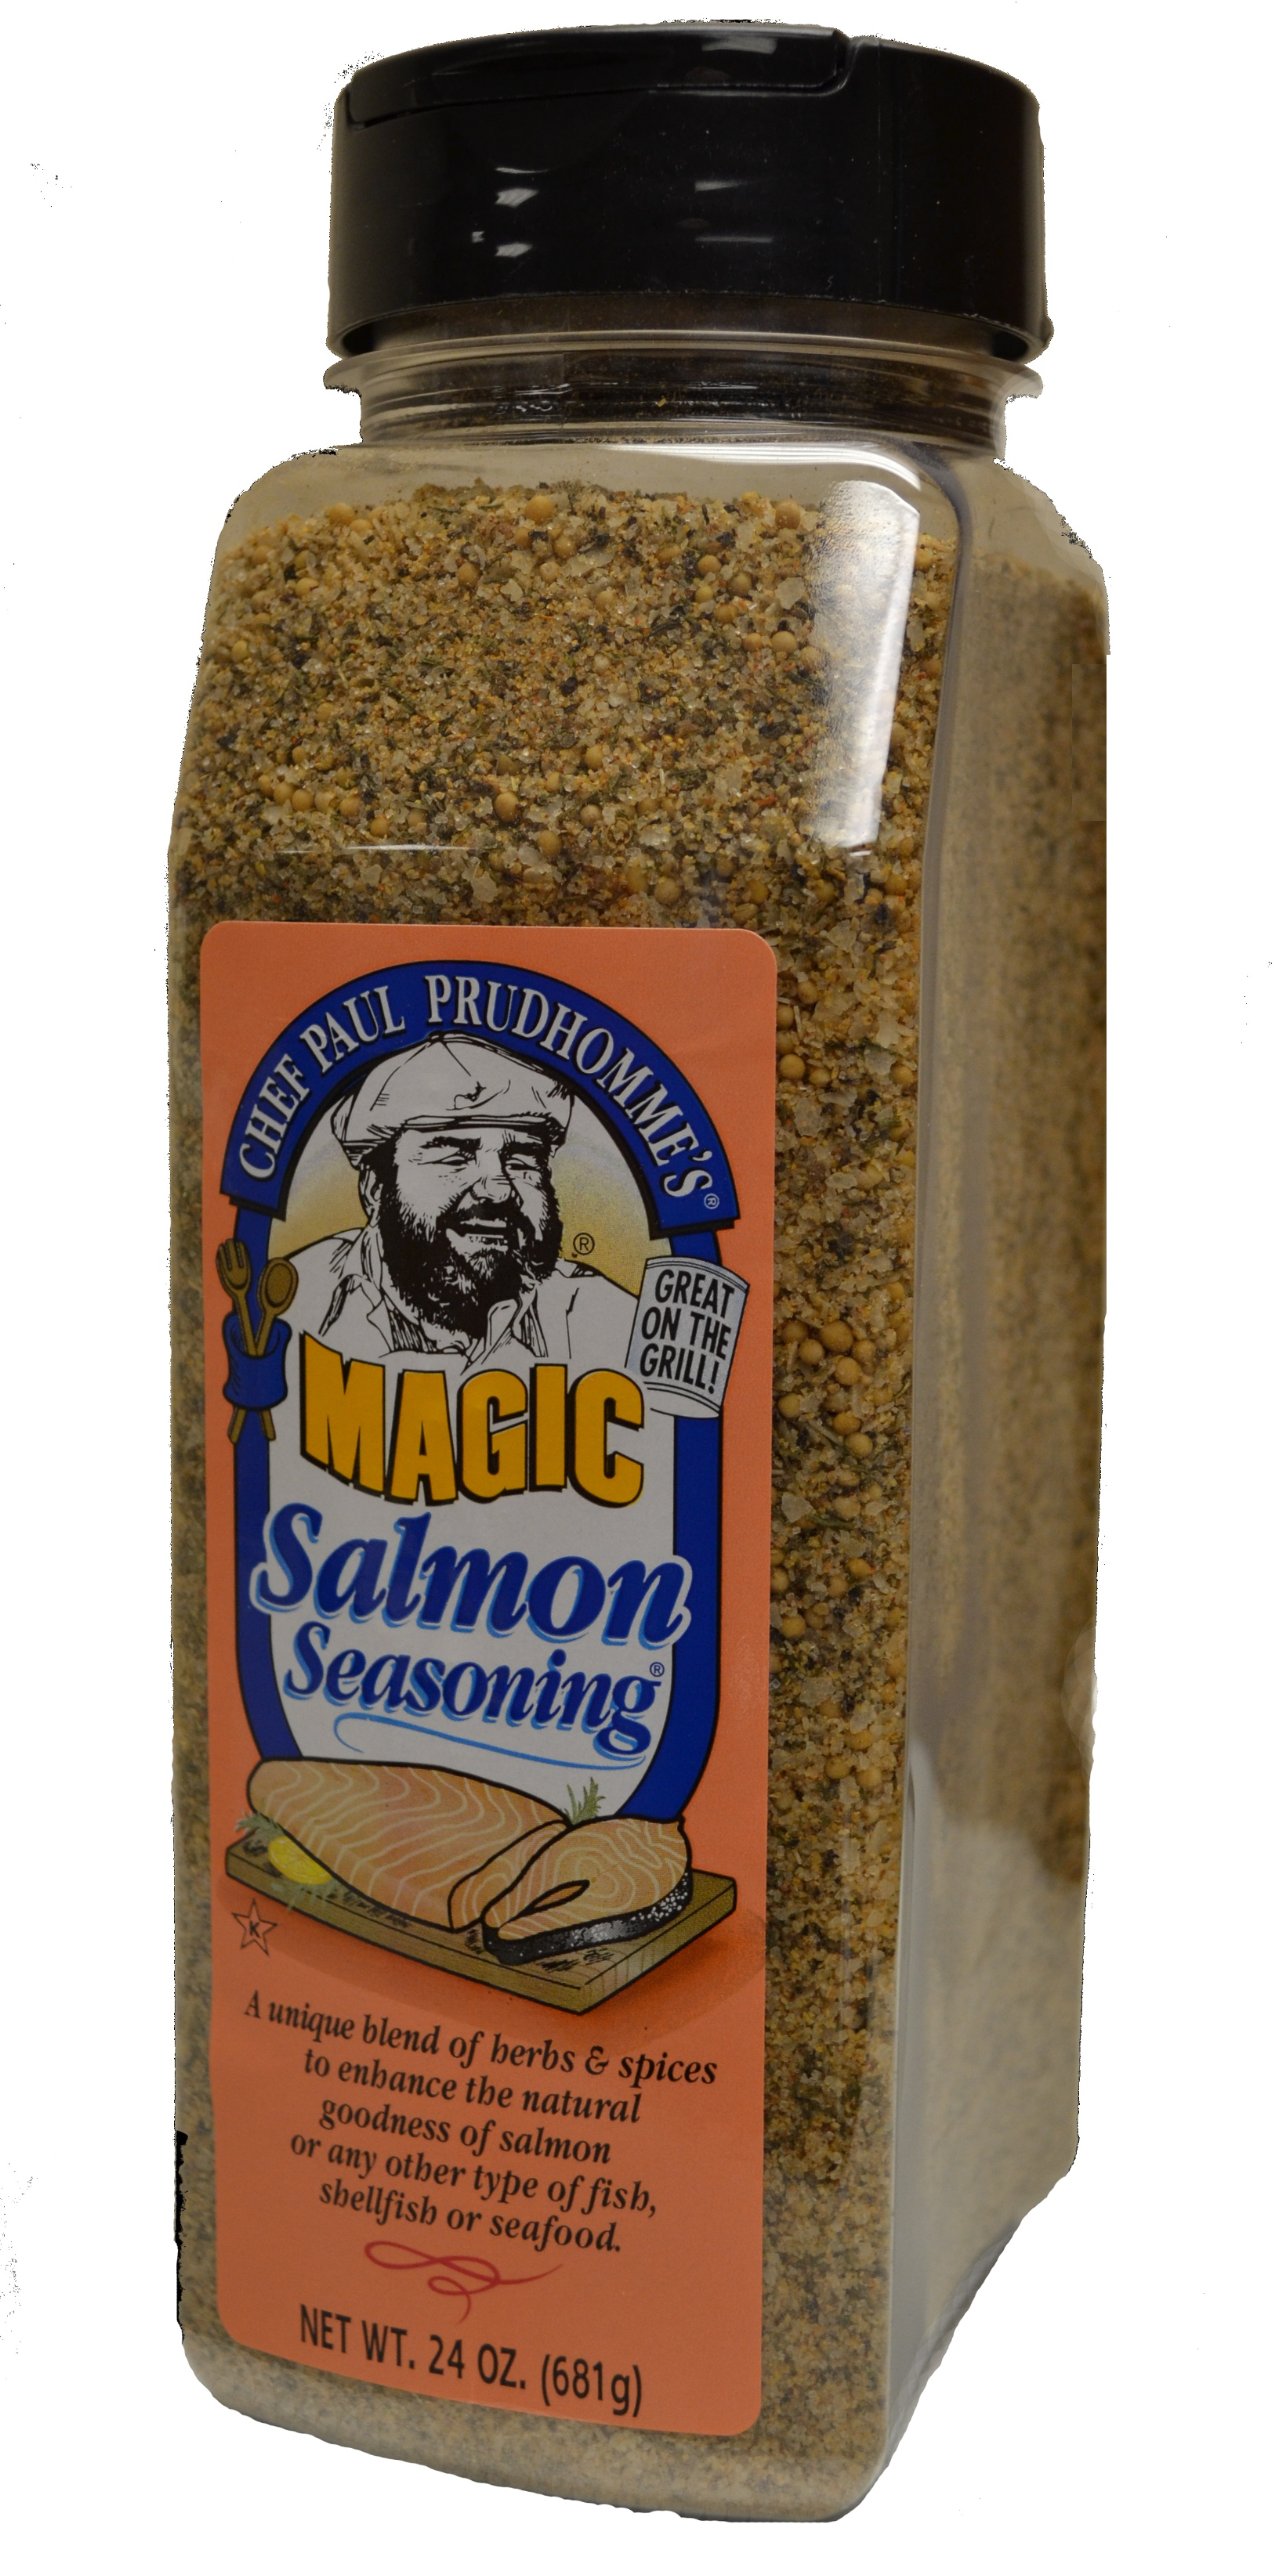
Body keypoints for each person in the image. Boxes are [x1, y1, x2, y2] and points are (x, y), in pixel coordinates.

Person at [287, 1035, 636, 1372]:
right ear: (375, 1188)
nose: (499, 1189)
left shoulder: (605, 1320)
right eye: (454, 1157)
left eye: (521, 1161)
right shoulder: (291, 1302)